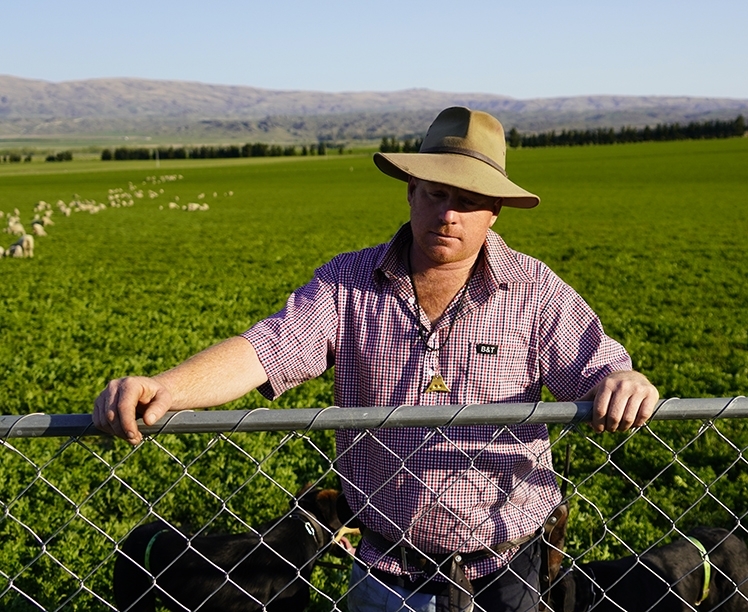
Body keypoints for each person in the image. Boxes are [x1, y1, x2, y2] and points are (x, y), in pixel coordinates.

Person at [94, 107, 658, 612]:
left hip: (509, 569)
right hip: (387, 572)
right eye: (436, 192)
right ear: (410, 191)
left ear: (495, 214)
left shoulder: (534, 291)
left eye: (468, 201)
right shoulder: (348, 284)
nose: (449, 214)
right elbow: (264, 350)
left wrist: (625, 380)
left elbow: (598, 366)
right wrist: (167, 386)